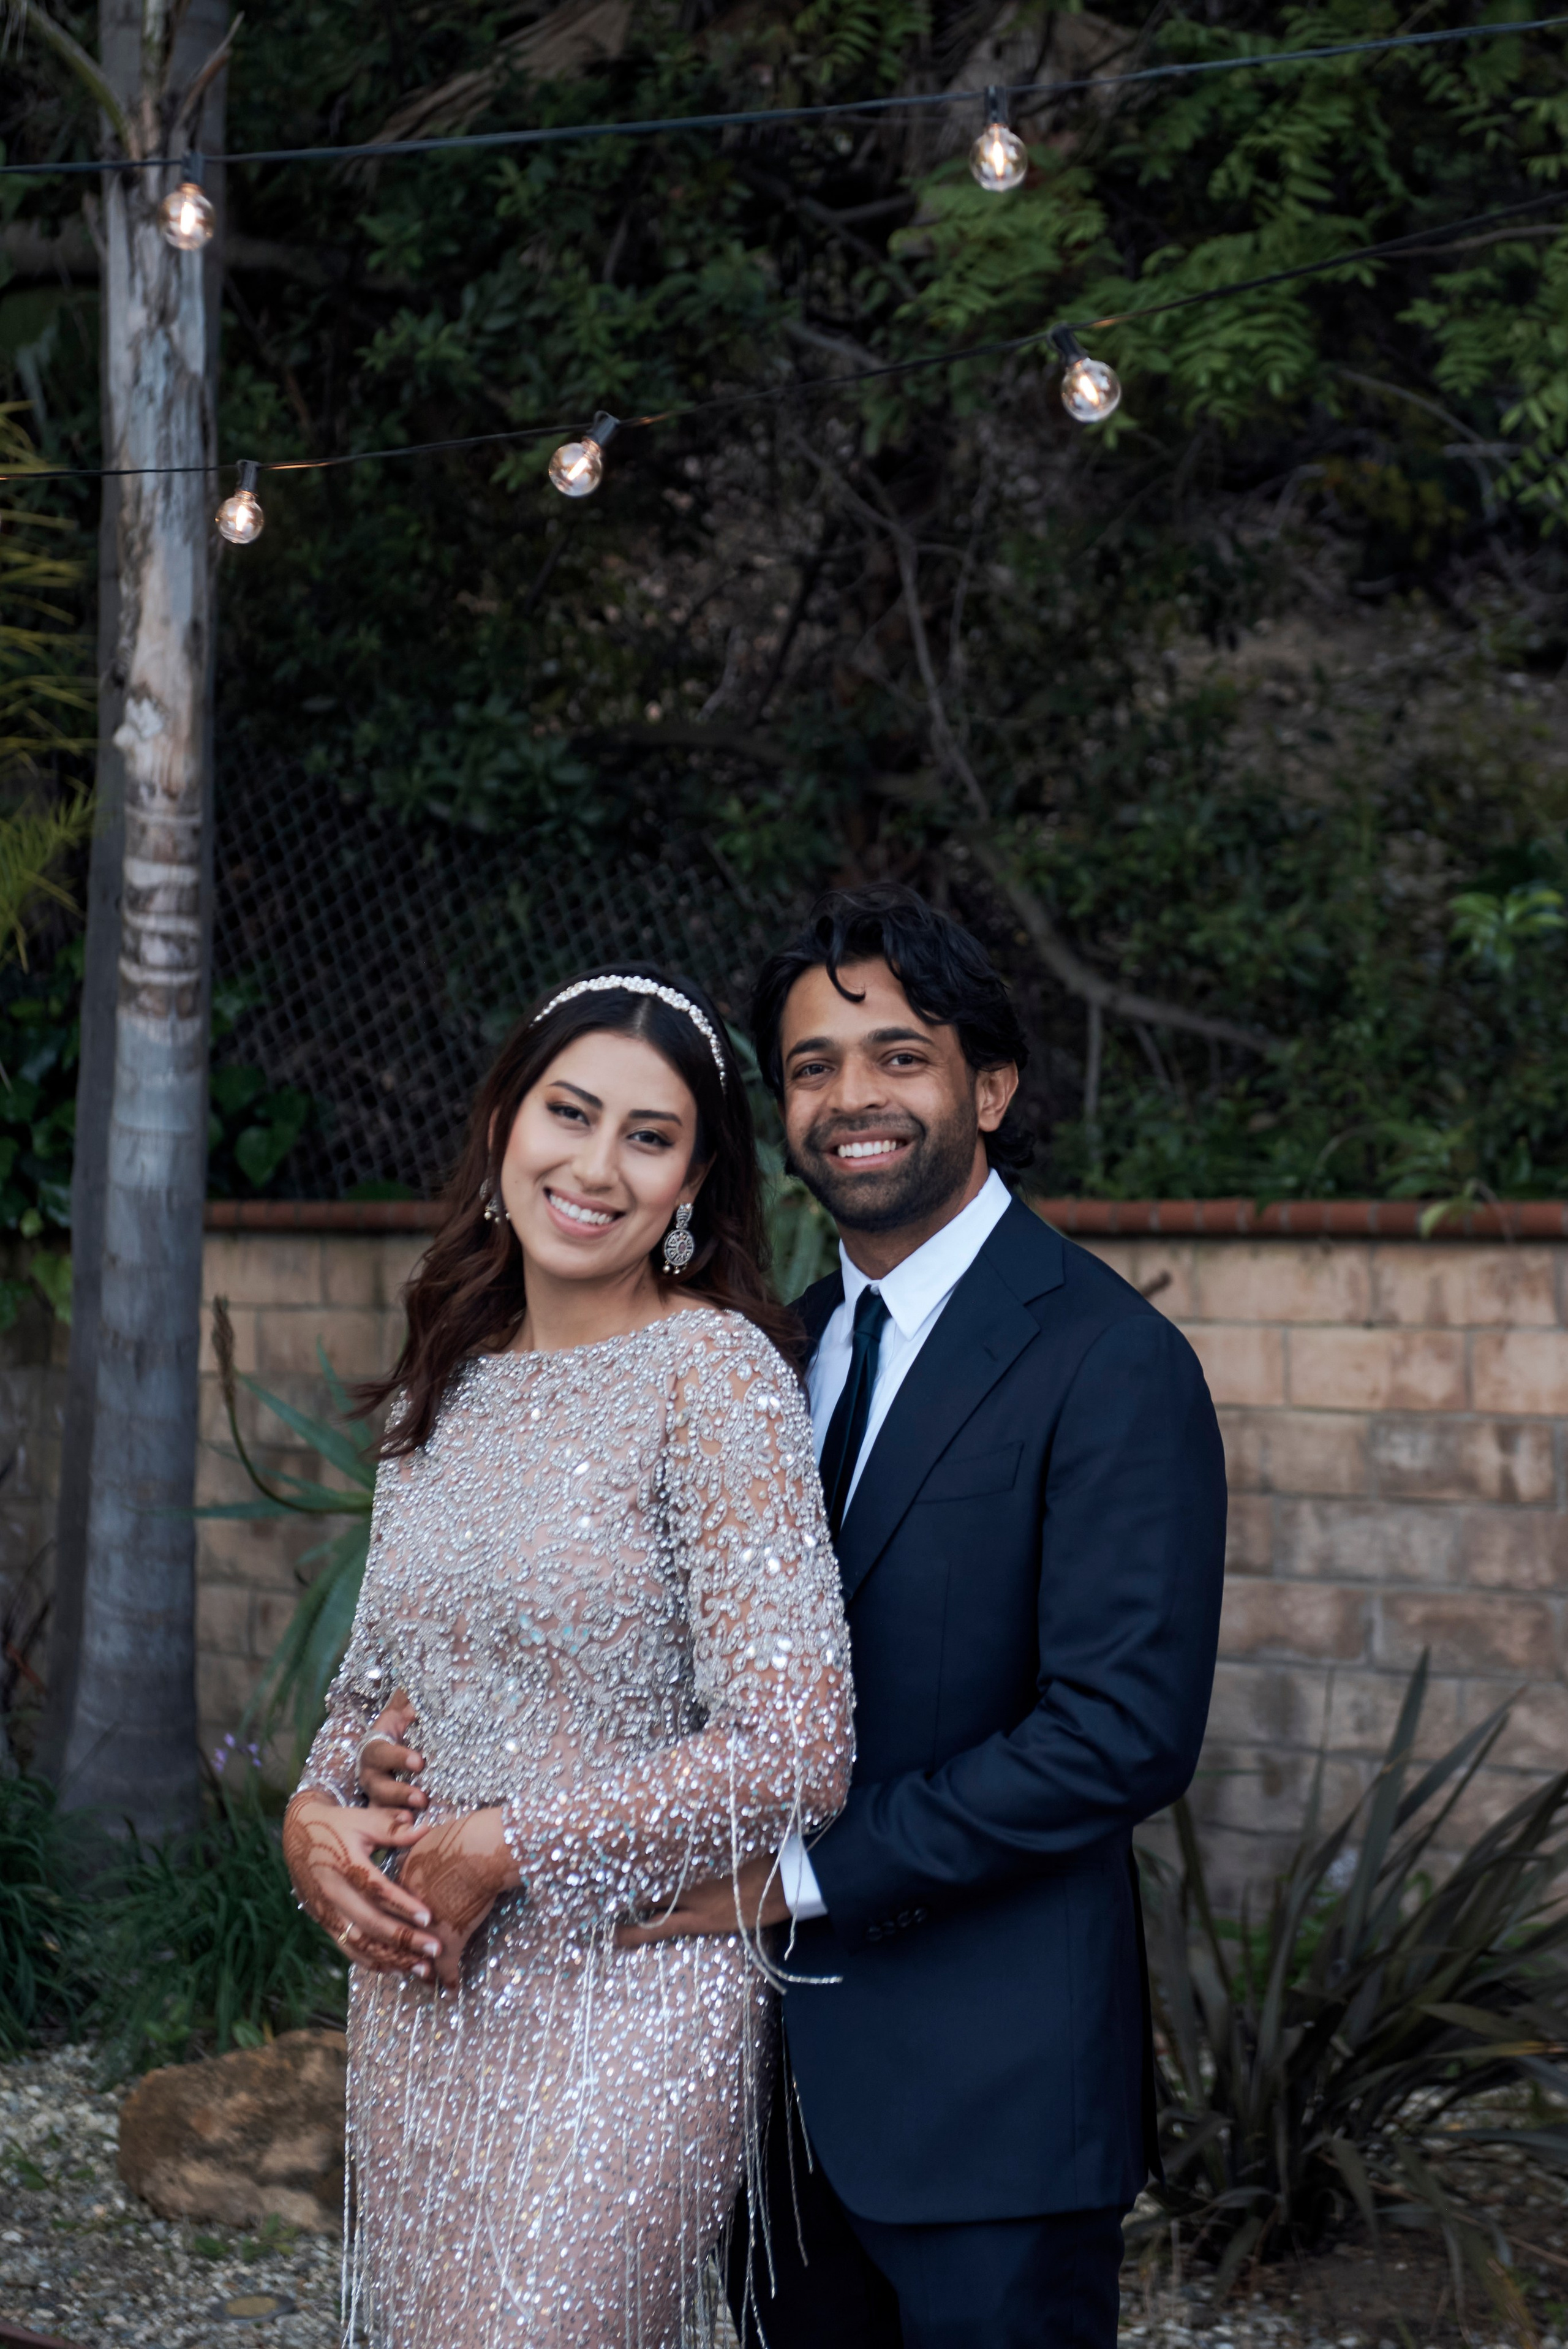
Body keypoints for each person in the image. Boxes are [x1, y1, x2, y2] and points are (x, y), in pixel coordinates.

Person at [592, 886, 1227, 2348]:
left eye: (896, 1054)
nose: (849, 1097)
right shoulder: (766, 1354)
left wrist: (798, 1876)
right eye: (811, 1065)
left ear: (987, 1088)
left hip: (990, 2108)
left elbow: (1115, 1735)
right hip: (758, 2093)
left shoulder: (1109, 1360)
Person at [281, 964, 854, 2349]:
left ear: (694, 1184)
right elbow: (369, 1693)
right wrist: (308, 1816)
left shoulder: (718, 1383)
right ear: (503, 1129)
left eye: (647, 1137)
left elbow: (799, 1751)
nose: (595, 1166)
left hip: (635, 1993)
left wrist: (507, 1844)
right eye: (570, 1113)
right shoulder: (443, 1385)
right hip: (428, 1996)